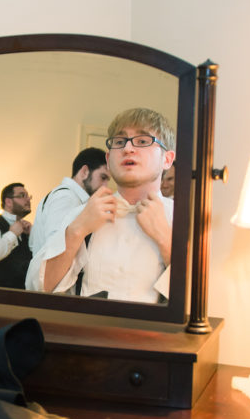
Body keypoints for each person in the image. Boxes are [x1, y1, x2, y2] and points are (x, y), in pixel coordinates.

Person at [25, 108, 176, 302]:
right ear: (108, 158)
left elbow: (201, 302)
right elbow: (37, 289)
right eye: (120, 142)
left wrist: (166, 241)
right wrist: (77, 231)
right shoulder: (82, 214)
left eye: (143, 141)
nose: (128, 149)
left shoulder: (184, 222)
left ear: (167, 159)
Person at [27, 147, 110, 257]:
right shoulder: (66, 198)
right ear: (85, 172)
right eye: (103, 177)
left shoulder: (65, 196)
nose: (105, 186)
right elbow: (56, 251)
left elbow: (32, 243)